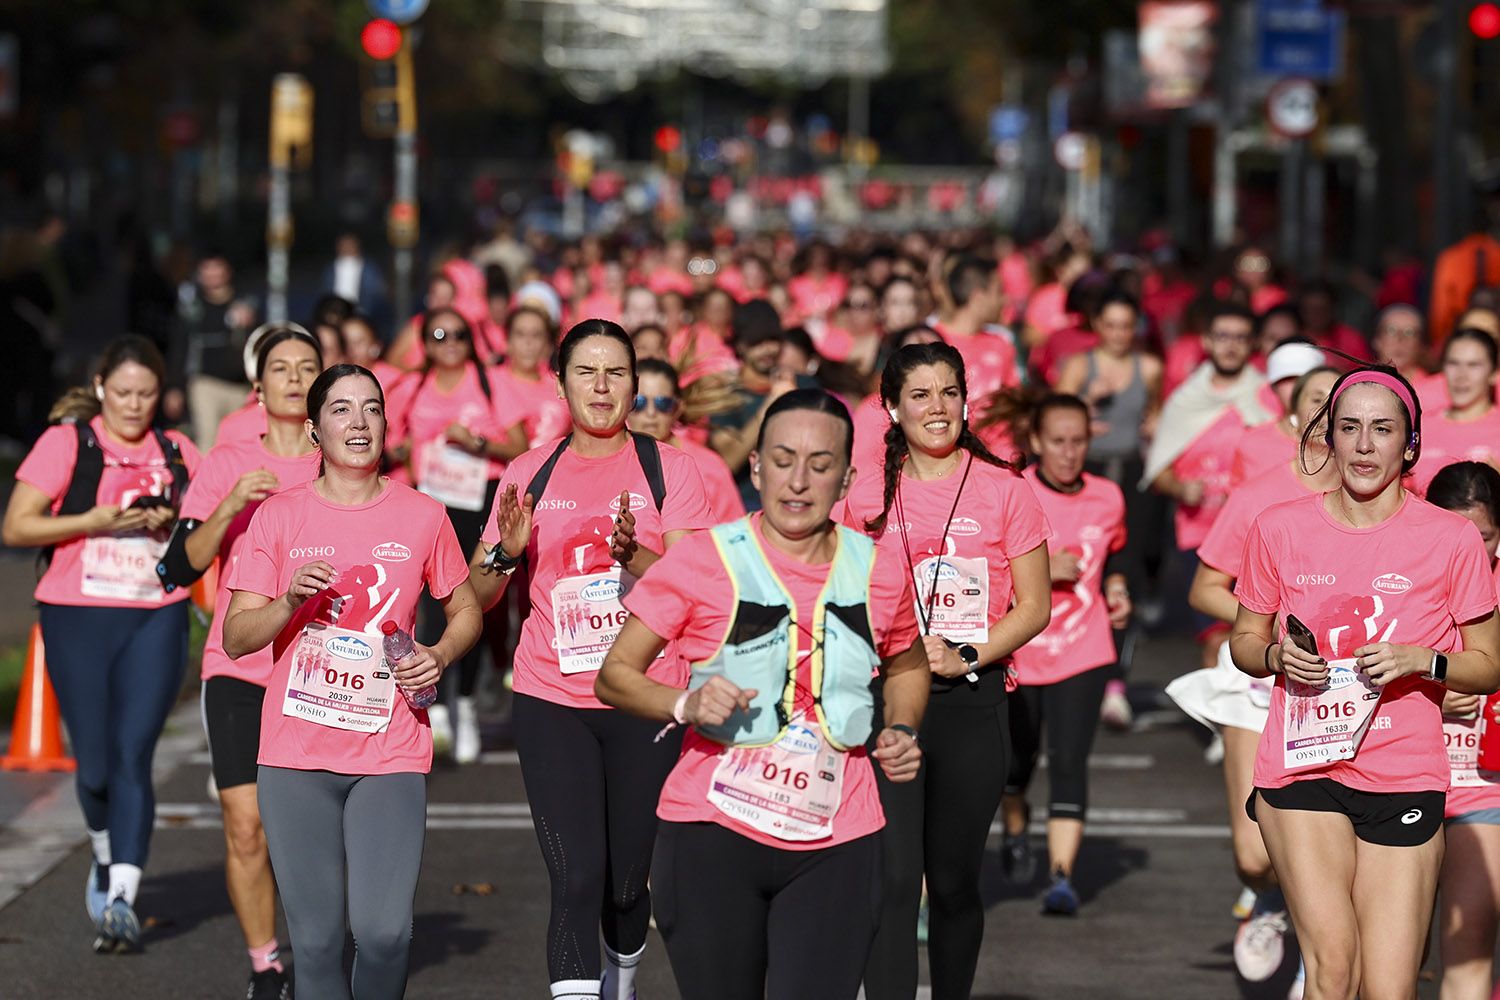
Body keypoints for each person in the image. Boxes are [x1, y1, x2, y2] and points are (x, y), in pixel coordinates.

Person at [596, 388, 931, 1000]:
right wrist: (685, 704)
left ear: (848, 478)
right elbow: (615, 674)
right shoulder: (701, 560)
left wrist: (903, 727)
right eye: (782, 460)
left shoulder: (880, 570)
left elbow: (908, 663)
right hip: (712, 830)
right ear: (755, 467)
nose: (798, 481)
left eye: (820, 465)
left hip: (838, 836)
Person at [1228, 366, 1500, 999]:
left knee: (1389, 986)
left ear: (1410, 445)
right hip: (1303, 767)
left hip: (1404, 770)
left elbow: (1488, 663)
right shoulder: (1279, 527)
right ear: (1327, 437)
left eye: (1383, 430)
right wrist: (1274, 656)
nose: (1364, 444)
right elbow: (1242, 641)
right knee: (1334, 968)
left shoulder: (1452, 538)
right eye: (1348, 428)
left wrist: (1423, 660)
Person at [467, 320, 714, 1000]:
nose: (601, 387)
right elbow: (477, 594)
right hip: (553, 698)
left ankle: (622, 984)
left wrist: (638, 557)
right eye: (586, 372)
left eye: (616, 373)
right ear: (561, 383)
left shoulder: (671, 470)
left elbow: (698, 588)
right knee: (575, 875)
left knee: (629, 884)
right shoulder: (529, 473)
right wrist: (508, 552)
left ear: (635, 384)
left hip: (644, 697)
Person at [221, 363, 482, 1000]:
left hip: (388, 750)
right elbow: (236, 636)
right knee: (313, 943)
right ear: (314, 430)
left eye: (371, 408)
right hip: (295, 756)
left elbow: (467, 607)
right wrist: (287, 604)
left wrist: (441, 653)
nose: (358, 422)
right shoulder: (279, 517)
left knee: (386, 933)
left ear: (387, 426)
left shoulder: (423, 515)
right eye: (340, 410)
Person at [841, 343, 1052, 1000]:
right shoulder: (864, 496)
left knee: (954, 883)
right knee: (896, 880)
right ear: (891, 407)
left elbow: (1036, 605)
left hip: (972, 702)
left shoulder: (1006, 489)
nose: (937, 408)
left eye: (949, 392)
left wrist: (966, 653)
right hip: (885, 704)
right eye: (921, 395)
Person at [1, 335, 201, 952]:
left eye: (145, 394)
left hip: (155, 614)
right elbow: (16, 525)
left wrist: (173, 523)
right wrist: (90, 521)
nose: (134, 406)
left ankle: (122, 897)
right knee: (93, 766)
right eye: (122, 394)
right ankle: (104, 851)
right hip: (77, 615)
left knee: (133, 754)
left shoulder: (178, 450)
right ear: (99, 390)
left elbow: (206, 531)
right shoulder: (67, 443)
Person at [161, 327, 323, 999]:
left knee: (315, 832)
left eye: (308, 367)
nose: (293, 378)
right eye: (280, 368)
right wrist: (230, 506)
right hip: (240, 667)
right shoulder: (228, 460)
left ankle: (318, 949)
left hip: (319, 671)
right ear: (259, 386)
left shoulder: (343, 461)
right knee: (246, 824)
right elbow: (175, 568)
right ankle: (265, 964)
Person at [1167, 365, 1340, 993]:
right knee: (1254, 853)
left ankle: (1314, 960)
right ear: (1292, 420)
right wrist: (1266, 627)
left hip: (1336, 693)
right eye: (1314, 402)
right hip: (1257, 682)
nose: (1326, 414)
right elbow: (1204, 588)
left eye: (1338, 403)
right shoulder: (1257, 494)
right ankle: (1269, 901)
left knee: (1328, 837)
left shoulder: (1379, 499)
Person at [1002, 393, 1131, 916]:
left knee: (1070, 760)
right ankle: (1015, 823)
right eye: (1057, 441)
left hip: (1084, 649)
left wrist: (1118, 590)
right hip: (1018, 650)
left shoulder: (1109, 497)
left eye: (1078, 441)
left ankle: (1061, 877)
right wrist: (1040, 571)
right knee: (1016, 763)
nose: (1069, 452)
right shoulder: (1012, 493)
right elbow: (983, 573)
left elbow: (1115, 556)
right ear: (1035, 441)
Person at [385, 308, 527, 762]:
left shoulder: (489, 382)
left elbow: (521, 445)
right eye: (438, 334)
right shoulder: (412, 386)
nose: (449, 343)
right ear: (423, 342)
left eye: (459, 335)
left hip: (478, 500)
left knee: (466, 603)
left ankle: (463, 704)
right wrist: (406, 460)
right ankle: (437, 708)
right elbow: (392, 442)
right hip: (429, 504)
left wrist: (476, 443)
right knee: (423, 606)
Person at [1144, 303, 1271, 676]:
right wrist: (1182, 489)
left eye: (1240, 338)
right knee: (1215, 639)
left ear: (1253, 345)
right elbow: (1158, 471)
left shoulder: (1268, 399)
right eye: (1223, 336)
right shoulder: (1184, 400)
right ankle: (1221, 729)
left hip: (1257, 536)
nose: (1230, 346)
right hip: (1200, 538)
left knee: (1255, 632)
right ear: (1206, 341)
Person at [1421, 462, 1500, 1000]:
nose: (1472, 551)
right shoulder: (1397, 576)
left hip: (1482, 783)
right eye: (1458, 537)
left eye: (1486, 538)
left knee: (1469, 947)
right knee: (1387, 967)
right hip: (1396, 778)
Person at [627, 358, 744, 524]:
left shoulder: (709, 467)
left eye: (663, 403)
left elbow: (734, 532)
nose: (651, 413)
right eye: (639, 403)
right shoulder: (605, 457)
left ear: (677, 408)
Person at [709, 300, 800, 510]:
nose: (768, 349)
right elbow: (728, 461)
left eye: (773, 340)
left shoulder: (803, 384)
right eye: (757, 343)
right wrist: (771, 406)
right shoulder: (726, 393)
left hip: (794, 500)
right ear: (740, 345)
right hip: (745, 507)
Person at [169, 252, 258, 448]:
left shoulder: (245, 302)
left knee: (242, 444)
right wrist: (175, 386)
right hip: (204, 383)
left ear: (227, 270)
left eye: (217, 267)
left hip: (240, 387)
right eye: (206, 268)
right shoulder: (192, 307)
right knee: (207, 442)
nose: (212, 273)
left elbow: (259, 343)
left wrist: (249, 323)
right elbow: (180, 346)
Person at [1408, 328, 1500, 495]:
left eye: (1474, 365)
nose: (1461, 375)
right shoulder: (1419, 427)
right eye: (1453, 363)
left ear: (1494, 372)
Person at [1229, 341, 1329, 486]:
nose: (1297, 386)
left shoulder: (1339, 441)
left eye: (1305, 377)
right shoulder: (1252, 443)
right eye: (1287, 379)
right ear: (1273, 387)